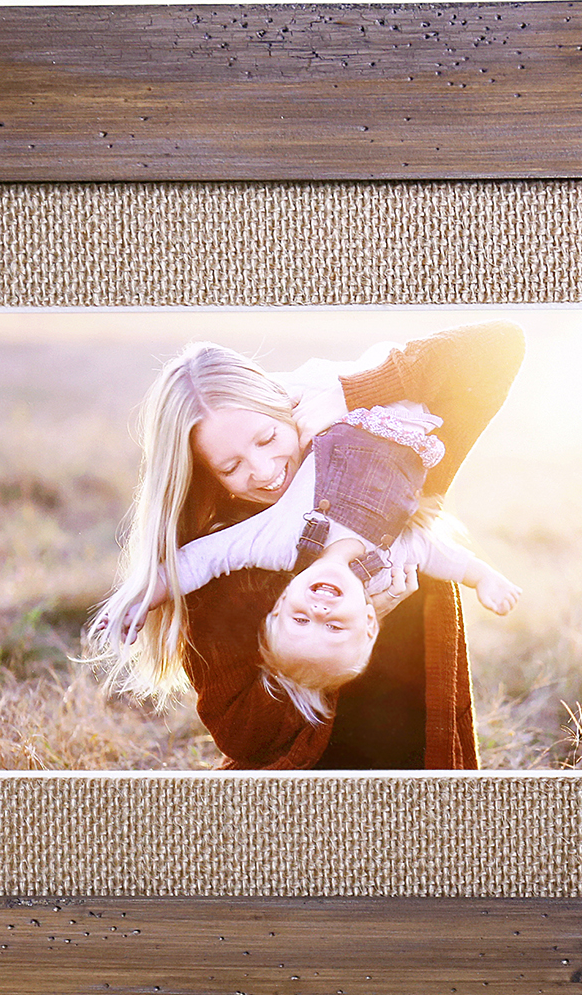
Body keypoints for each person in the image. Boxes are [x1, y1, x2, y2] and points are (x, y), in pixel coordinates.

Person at [85, 320, 525, 770]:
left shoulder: (381, 441)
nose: (263, 470)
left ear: (288, 408)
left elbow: (500, 345)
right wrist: (344, 636)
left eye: (268, 437)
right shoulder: (242, 551)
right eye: (231, 465)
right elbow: (244, 738)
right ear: (206, 475)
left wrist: (351, 393)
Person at [114, 399, 522, 724]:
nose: (320, 610)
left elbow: (204, 558)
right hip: (412, 417)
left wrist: (144, 595)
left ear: (277, 607)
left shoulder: (276, 542)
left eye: (302, 620)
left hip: (343, 406)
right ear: (368, 622)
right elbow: (443, 555)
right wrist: (484, 577)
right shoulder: (393, 563)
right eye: (334, 625)